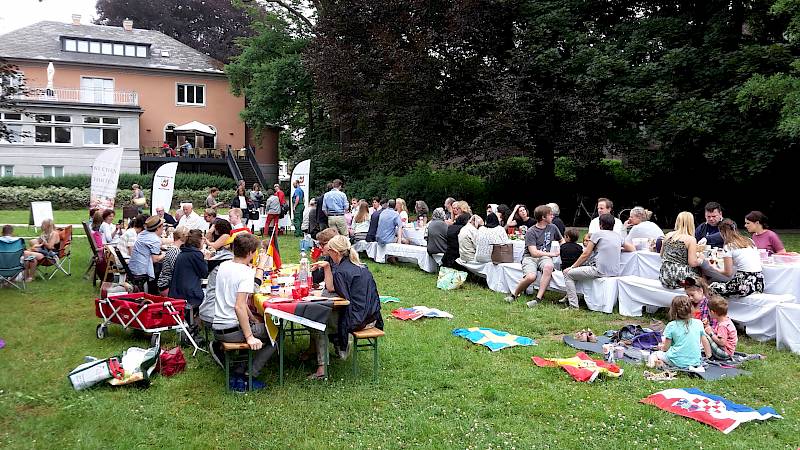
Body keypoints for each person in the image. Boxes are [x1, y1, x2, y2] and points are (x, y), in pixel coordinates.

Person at [309, 235, 384, 379]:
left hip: (359, 320)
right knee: (324, 316)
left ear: (335, 252)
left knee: (317, 322)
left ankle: (322, 368)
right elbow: (332, 288)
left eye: (328, 249)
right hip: (372, 316)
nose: (326, 252)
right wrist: (326, 267)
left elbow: (341, 298)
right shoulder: (357, 266)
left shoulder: (342, 271)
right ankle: (336, 347)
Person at [211, 233, 274, 389]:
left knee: (262, 325)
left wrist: (253, 318)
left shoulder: (224, 265)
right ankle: (249, 375)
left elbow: (238, 300)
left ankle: (240, 368)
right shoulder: (246, 273)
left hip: (218, 325)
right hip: (231, 329)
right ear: (250, 253)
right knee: (275, 333)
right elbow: (239, 306)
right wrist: (250, 336)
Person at [563, 214, 635, 309]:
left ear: (600, 224)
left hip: (599, 270)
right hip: (614, 272)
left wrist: (572, 267)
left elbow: (586, 254)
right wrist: (617, 249)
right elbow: (632, 248)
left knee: (568, 273)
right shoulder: (618, 236)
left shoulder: (597, 234)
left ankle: (573, 306)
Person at [505, 205, 563, 307]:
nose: (552, 216)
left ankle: (538, 298)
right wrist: (552, 254)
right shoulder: (531, 231)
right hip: (530, 257)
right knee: (531, 277)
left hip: (544, 257)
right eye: (550, 215)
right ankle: (514, 294)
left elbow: (561, 240)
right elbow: (534, 253)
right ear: (543, 217)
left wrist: (562, 247)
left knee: (549, 266)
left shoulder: (553, 227)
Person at [647, 295, 711, 370]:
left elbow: (666, 348)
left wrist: (661, 347)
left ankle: (652, 364)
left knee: (655, 354)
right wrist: (708, 355)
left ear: (673, 310)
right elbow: (705, 341)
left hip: (676, 360)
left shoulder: (671, 325)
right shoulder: (699, 323)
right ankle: (662, 363)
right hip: (695, 361)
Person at [707, 219, 765, 298]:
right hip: (759, 282)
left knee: (711, 287)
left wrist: (714, 268)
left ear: (721, 232)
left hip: (744, 284)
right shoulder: (750, 241)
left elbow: (728, 273)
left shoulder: (728, 246)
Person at [659, 212, 703, 289]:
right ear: (691, 223)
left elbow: (661, 255)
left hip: (665, 276)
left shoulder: (668, 235)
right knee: (703, 276)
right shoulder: (691, 239)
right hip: (680, 278)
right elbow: (692, 263)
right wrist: (701, 259)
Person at [169, 229, 208, 307]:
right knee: (212, 293)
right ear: (198, 241)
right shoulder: (196, 254)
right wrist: (205, 259)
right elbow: (204, 273)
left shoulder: (182, 253)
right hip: (190, 295)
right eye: (203, 239)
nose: (204, 241)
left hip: (177, 292)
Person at [128, 215, 166, 294]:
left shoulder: (143, 234)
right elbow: (155, 259)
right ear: (158, 227)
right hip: (141, 270)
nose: (164, 228)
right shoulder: (154, 239)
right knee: (163, 268)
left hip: (133, 267)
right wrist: (165, 254)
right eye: (163, 226)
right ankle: (155, 294)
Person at [157, 226, 188, 295]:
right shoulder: (175, 251)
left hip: (165, 283)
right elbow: (176, 270)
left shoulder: (172, 249)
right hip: (167, 285)